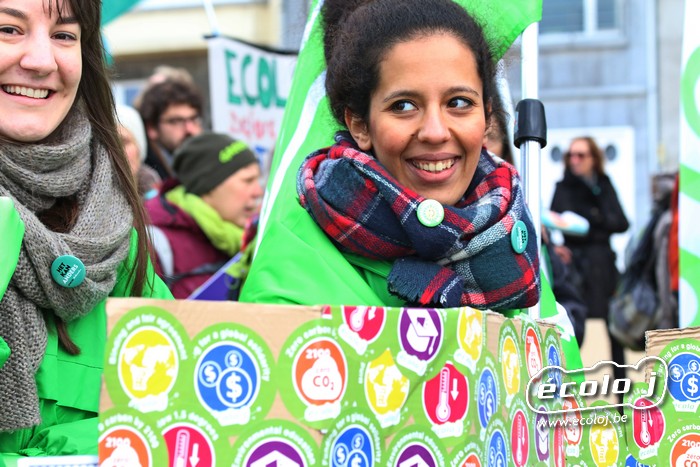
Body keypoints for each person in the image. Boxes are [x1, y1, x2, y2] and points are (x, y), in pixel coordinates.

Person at [242, 0, 542, 311]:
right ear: (360, 125)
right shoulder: (291, 266)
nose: (435, 132)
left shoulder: (514, 240)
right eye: (404, 106)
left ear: (487, 115)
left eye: (458, 102)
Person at [0, 0, 172, 461]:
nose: (42, 61)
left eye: (64, 35)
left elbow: (173, 416)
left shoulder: (110, 223)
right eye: (8, 29)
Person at [145, 132, 263, 299]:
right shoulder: (153, 243)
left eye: (258, 180)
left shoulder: (254, 237)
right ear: (209, 187)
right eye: (247, 181)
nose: (258, 192)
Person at [551, 137, 629, 373]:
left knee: (615, 326)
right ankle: (568, 381)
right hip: (575, 266)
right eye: (571, 155)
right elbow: (552, 221)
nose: (575, 160)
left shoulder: (604, 184)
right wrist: (555, 247)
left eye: (581, 155)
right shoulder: (563, 187)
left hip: (603, 267)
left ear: (593, 158)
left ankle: (621, 387)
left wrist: (591, 220)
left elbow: (621, 222)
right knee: (572, 323)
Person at [138, 80, 204, 180]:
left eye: (194, 119)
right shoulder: (145, 178)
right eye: (176, 121)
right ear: (152, 128)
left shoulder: (208, 161)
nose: (189, 129)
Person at [115, 104, 162, 199]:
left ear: (139, 146)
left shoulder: (161, 199)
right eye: (106, 144)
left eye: (124, 142)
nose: (115, 151)